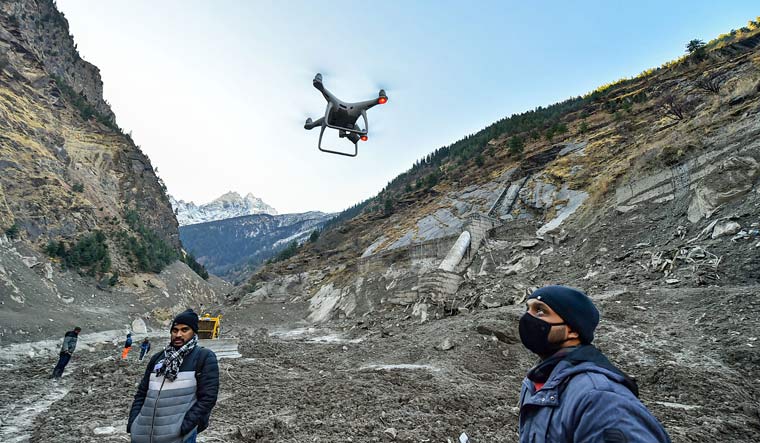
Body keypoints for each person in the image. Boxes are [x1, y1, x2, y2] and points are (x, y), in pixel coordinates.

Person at [518, 285, 671, 442]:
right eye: (527, 309)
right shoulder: (536, 382)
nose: (527, 318)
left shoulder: (600, 397)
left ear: (572, 330)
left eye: (540, 311)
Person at [127, 309, 219, 443]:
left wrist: (183, 427)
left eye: (184, 330)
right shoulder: (158, 358)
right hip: (143, 435)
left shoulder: (203, 357)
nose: (178, 334)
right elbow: (142, 393)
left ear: (194, 332)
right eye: (175, 330)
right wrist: (134, 423)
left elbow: (208, 398)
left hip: (178, 437)